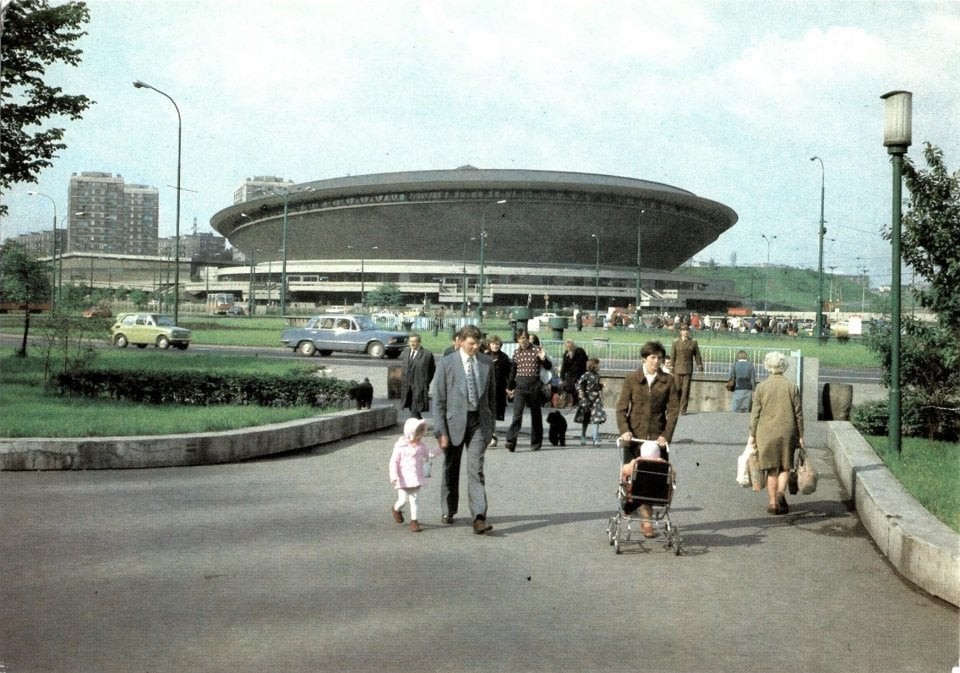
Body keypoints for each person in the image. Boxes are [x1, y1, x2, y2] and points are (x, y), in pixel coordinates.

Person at [431, 324, 496, 534]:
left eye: (478, 343)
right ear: (460, 341)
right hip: (453, 424)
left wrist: (491, 426)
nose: (475, 347)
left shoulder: (487, 363)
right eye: (471, 343)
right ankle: (448, 510)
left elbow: (492, 399)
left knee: (476, 469)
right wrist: (440, 432)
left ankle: (478, 517)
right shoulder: (447, 363)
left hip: (478, 423)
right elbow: (439, 401)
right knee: (451, 468)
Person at [615, 341, 680, 538]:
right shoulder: (632, 379)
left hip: (656, 440)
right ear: (644, 358)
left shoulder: (668, 381)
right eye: (653, 357)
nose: (656, 361)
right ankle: (632, 506)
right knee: (632, 479)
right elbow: (620, 409)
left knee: (651, 481)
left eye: (660, 358)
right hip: (634, 438)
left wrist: (665, 436)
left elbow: (674, 411)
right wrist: (625, 430)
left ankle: (646, 521)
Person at [748, 351, 804, 515]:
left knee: (772, 469)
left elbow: (755, 413)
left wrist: (752, 434)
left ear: (768, 366)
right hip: (787, 431)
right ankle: (781, 493)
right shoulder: (792, 387)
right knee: (785, 466)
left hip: (766, 432)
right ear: (783, 366)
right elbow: (798, 414)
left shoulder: (761, 387)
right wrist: (801, 435)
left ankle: (772, 503)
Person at [389, 417, 442, 533]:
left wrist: (440, 448)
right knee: (403, 500)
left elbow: (430, 454)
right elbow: (393, 462)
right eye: (417, 435)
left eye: (421, 434)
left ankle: (414, 521)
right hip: (402, 479)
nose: (419, 437)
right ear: (410, 433)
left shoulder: (421, 446)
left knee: (414, 500)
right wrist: (394, 476)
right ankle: (396, 509)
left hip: (415, 478)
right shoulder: (400, 447)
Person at [504, 328, 552, 452]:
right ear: (517, 340)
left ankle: (536, 442)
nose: (522, 341)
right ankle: (511, 440)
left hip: (534, 385)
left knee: (536, 415)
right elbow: (512, 372)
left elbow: (548, 367)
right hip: (520, 385)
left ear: (527, 338)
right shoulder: (516, 353)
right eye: (520, 339)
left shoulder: (536, 350)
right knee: (517, 414)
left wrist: (543, 359)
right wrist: (509, 387)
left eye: (524, 338)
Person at [484, 334, 512, 446]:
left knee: (493, 412)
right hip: (485, 387)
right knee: (485, 411)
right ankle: (487, 434)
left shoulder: (504, 358)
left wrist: (509, 387)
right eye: (493, 344)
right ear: (489, 344)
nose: (495, 346)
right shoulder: (484, 356)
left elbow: (509, 374)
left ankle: (493, 434)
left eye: (497, 344)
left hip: (498, 388)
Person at [400, 334, 435, 420]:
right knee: (411, 406)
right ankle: (418, 423)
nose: (413, 344)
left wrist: (425, 381)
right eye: (411, 341)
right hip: (407, 385)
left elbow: (432, 370)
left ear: (419, 342)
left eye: (415, 342)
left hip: (419, 385)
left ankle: (414, 427)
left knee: (416, 407)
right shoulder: (405, 353)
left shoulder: (427, 354)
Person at [670, 325, 703, 415]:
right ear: (680, 332)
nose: (685, 332)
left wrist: (700, 367)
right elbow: (672, 356)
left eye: (686, 330)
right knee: (677, 389)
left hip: (688, 369)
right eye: (683, 330)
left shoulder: (693, 342)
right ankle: (675, 408)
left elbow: (697, 355)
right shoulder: (675, 342)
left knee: (685, 390)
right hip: (677, 369)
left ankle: (683, 409)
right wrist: (671, 368)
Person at [575, 357, 606, 446]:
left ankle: (595, 439)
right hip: (586, 399)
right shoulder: (586, 375)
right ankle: (583, 436)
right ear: (594, 365)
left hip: (596, 400)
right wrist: (580, 392)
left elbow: (595, 386)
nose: (600, 366)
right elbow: (578, 384)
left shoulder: (597, 375)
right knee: (586, 419)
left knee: (596, 419)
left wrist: (601, 385)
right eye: (598, 364)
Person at [559, 339, 588, 407]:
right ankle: (571, 402)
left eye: (569, 345)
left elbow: (580, 364)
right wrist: (562, 376)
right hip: (570, 375)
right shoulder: (566, 353)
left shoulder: (579, 351)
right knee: (569, 388)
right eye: (567, 346)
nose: (568, 347)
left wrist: (572, 357)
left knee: (578, 388)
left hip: (579, 373)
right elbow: (564, 365)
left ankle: (577, 402)